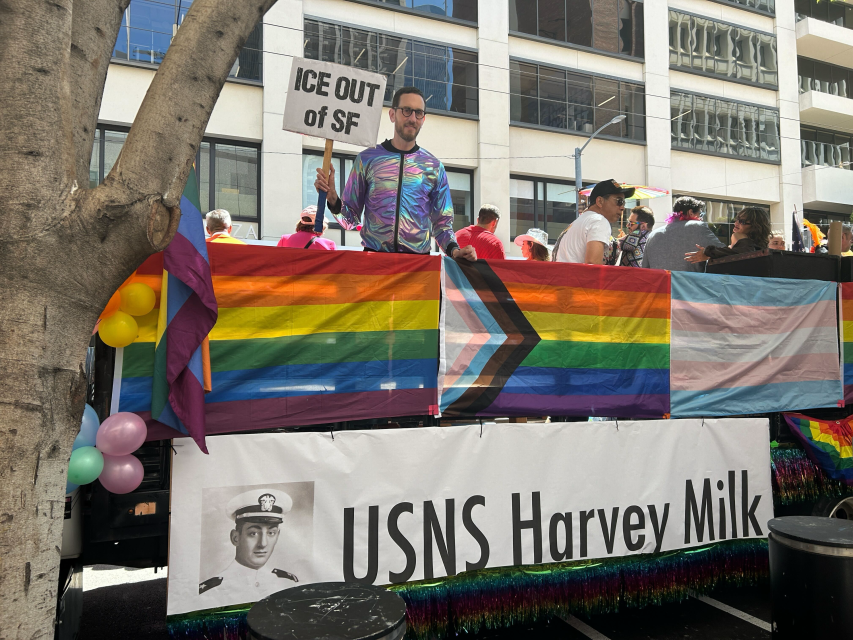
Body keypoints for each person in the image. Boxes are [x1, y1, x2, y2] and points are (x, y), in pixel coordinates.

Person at [314, 86, 475, 261]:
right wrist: (332, 199)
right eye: (406, 110)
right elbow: (350, 220)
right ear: (392, 114)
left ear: (423, 119)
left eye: (418, 113)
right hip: (375, 264)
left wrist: (454, 250)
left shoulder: (433, 167)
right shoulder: (367, 160)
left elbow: (442, 225)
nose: (412, 118)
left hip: (418, 267)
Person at [199, 489, 298, 600]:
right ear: (235, 538)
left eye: (271, 533)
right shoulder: (210, 592)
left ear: (277, 536)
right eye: (253, 533)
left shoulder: (289, 584)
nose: (263, 544)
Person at [554, 179, 635, 264]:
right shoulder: (599, 221)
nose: (622, 207)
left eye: (624, 203)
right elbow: (593, 265)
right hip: (578, 277)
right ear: (600, 201)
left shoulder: (580, 221)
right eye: (619, 201)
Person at [641, 196, 723, 272]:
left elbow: (645, 268)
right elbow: (725, 253)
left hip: (661, 286)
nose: (701, 218)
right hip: (688, 286)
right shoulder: (698, 227)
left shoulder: (653, 234)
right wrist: (707, 254)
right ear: (690, 212)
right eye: (700, 214)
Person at [685, 207, 771, 264]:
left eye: (742, 221)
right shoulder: (745, 245)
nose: (736, 223)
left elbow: (745, 254)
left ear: (756, 227)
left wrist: (708, 252)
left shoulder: (752, 246)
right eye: (737, 219)